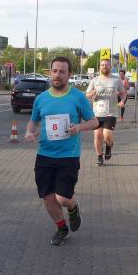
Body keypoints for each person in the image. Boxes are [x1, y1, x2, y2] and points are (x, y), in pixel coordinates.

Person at [25, 56, 97, 245]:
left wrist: (79, 127)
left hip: (68, 156)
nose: (57, 75)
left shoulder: (78, 97)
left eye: (62, 71)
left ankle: (73, 207)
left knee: (62, 198)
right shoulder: (41, 99)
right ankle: (61, 228)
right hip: (44, 155)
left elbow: (94, 121)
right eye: (55, 71)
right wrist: (29, 132)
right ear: (50, 72)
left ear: (69, 74)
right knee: (48, 198)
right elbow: (33, 120)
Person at [86, 59, 126, 166]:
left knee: (107, 135)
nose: (104, 67)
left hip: (111, 112)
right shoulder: (95, 80)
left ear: (110, 67)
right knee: (98, 135)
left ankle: (108, 146)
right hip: (97, 113)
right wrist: (91, 94)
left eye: (107, 65)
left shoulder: (116, 79)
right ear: (100, 67)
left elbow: (123, 93)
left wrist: (122, 101)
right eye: (102, 65)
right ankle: (99, 156)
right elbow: (87, 94)